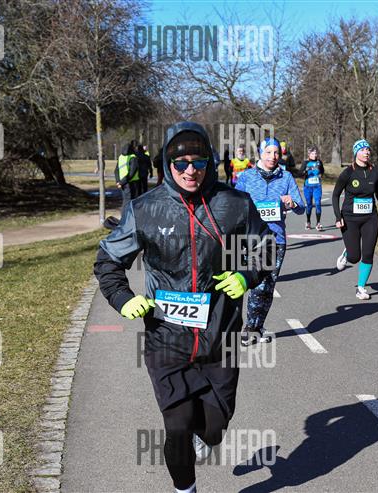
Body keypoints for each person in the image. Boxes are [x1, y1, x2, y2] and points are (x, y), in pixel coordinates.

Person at [94, 121, 275, 493]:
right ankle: (185, 488)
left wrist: (247, 275)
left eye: (199, 162)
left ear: (209, 161)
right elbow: (108, 261)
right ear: (167, 163)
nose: (190, 170)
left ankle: (203, 437)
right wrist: (124, 299)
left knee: (214, 428)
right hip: (167, 339)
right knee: (176, 428)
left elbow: (267, 247)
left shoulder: (235, 204)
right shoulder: (146, 209)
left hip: (220, 337)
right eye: (181, 163)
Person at [235, 137, 305, 345]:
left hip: (276, 239)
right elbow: (234, 205)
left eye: (276, 153)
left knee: (268, 286)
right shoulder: (247, 177)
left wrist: (292, 203)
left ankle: (257, 326)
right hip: (252, 239)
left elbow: (301, 208)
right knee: (256, 284)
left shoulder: (286, 177)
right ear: (260, 153)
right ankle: (248, 328)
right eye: (268, 152)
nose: (273, 157)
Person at [332, 139, 378, 300]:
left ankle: (361, 287)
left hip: (370, 218)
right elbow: (335, 195)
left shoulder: (376, 172)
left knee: (368, 253)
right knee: (354, 257)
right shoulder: (348, 173)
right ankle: (347, 253)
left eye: (368, 149)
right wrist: (338, 217)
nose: (366, 152)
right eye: (362, 150)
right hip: (350, 218)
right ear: (356, 153)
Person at [299, 146, 326, 231]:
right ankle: (308, 222)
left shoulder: (319, 162)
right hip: (307, 187)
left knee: (318, 203)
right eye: (313, 153)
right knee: (309, 205)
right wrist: (305, 172)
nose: (315, 155)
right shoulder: (305, 162)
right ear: (309, 154)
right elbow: (300, 173)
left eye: (315, 153)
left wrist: (320, 174)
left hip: (317, 186)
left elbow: (322, 171)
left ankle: (318, 223)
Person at [115, 142, 141, 209]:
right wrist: (121, 182)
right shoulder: (133, 157)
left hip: (123, 183)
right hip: (131, 183)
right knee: (130, 201)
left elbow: (116, 170)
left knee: (126, 200)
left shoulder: (120, 157)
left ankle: (127, 213)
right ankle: (126, 214)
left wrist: (118, 181)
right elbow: (131, 173)